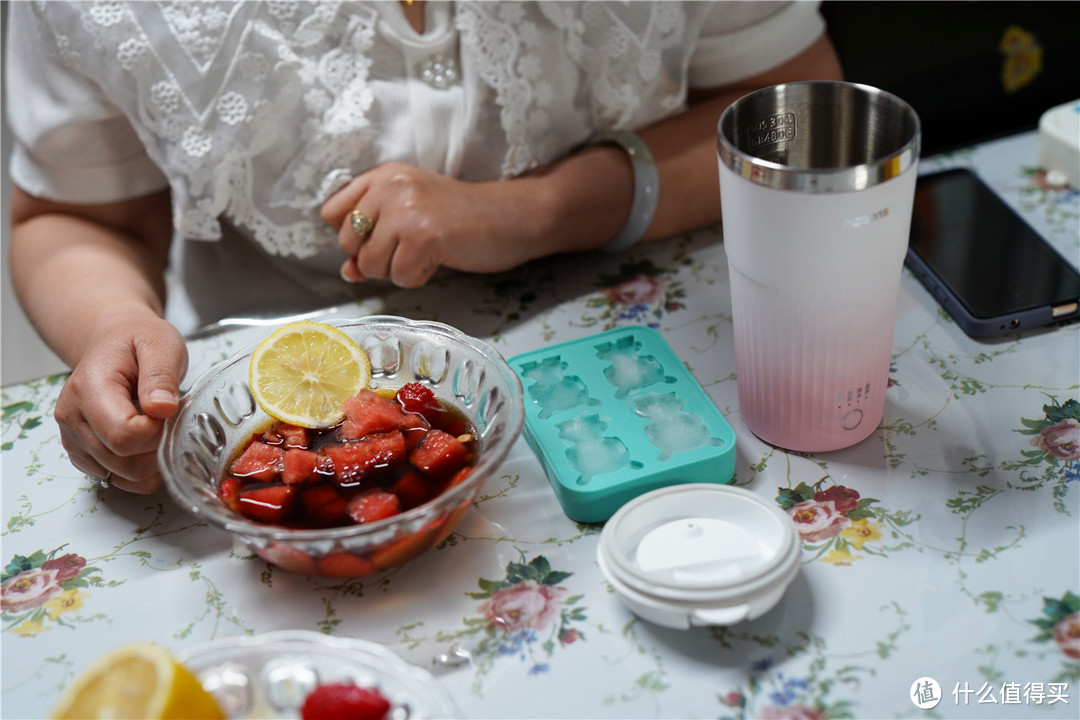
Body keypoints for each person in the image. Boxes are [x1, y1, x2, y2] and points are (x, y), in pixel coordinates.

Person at [5, 1, 843, 494]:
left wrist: (541, 210)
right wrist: (108, 323)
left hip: (642, 358)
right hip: (276, 397)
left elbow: (796, 115)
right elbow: (73, 218)